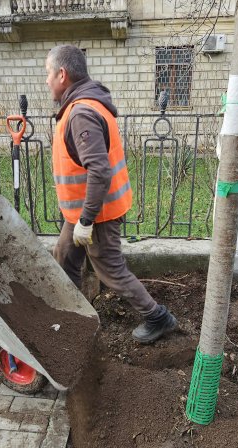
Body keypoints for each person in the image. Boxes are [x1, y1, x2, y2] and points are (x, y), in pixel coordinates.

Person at [45, 44, 178, 344]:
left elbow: (100, 170)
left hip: (96, 213)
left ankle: (158, 317)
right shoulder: (87, 103)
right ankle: (73, 318)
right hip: (83, 211)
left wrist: (87, 221)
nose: (47, 81)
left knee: (110, 270)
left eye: (48, 74)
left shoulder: (81, 113)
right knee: (65, 255)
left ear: (62, 74)